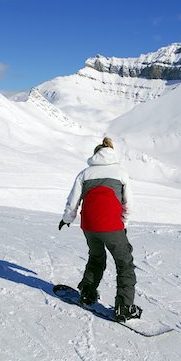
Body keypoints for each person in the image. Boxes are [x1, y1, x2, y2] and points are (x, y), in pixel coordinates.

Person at [59, 137, 142, 322]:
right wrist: (123, 224)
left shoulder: (85, 173)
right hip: (112, 226)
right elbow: (128, 204)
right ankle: (125, 308)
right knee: (124, 264)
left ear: (95, 154)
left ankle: (87, 293)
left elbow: (73, 202)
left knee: (96, 258)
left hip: (89, 226)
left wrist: (67, 219)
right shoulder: (121, 173)